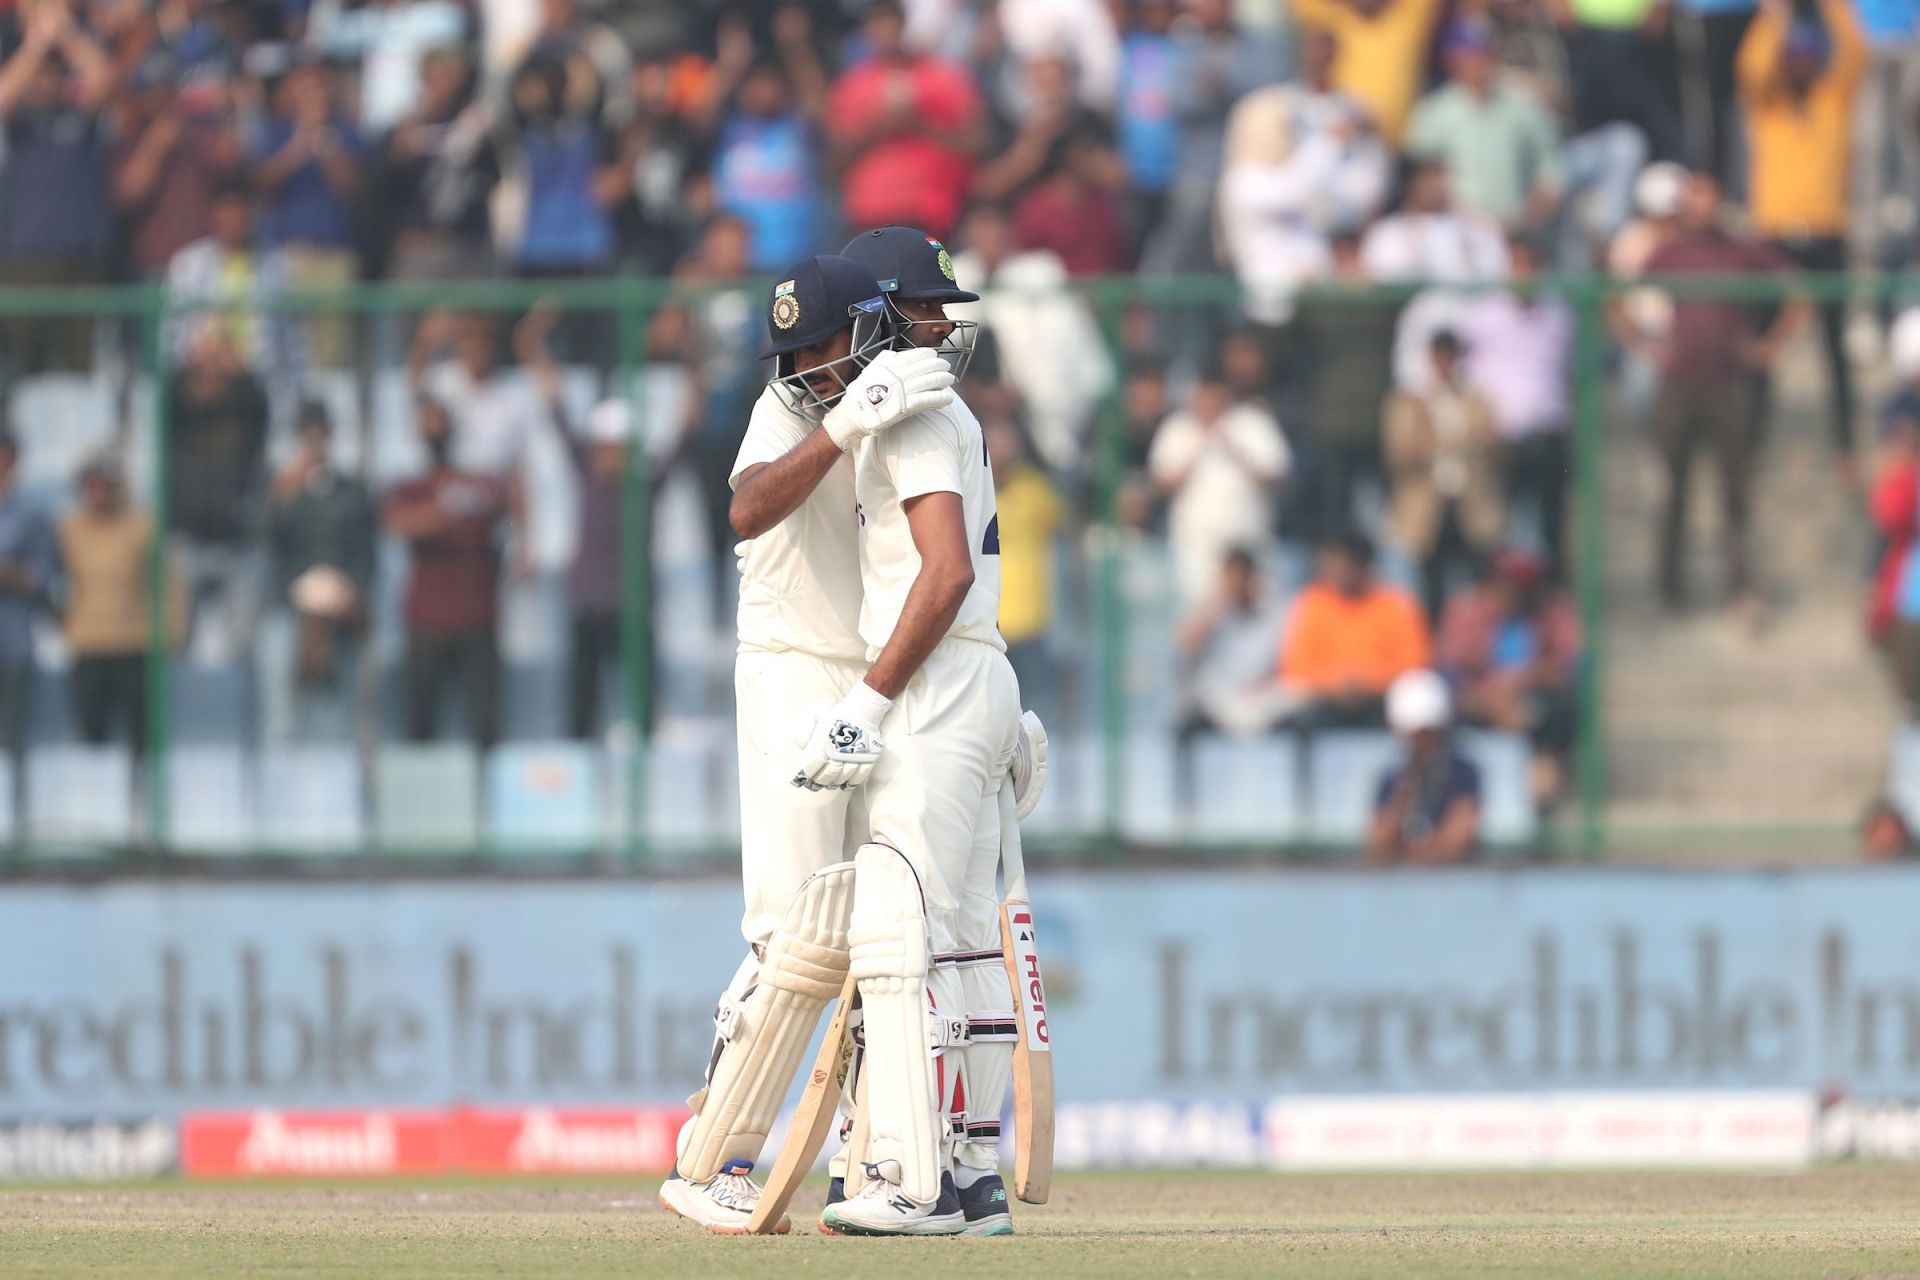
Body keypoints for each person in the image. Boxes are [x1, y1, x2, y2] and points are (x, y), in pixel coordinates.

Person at [1620, 172, 1806, 614]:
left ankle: (1740, 587)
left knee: (1735, 491)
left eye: (1710, 197)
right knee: (1673, 489)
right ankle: (1669, 589)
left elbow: (1797, 290)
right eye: (1695, 198)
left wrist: (1769, 346)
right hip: (1680, 384)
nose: (1702, 207)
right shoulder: (1669, 253)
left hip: (1731, 385)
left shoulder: (1742, 250)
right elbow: (1616, 298)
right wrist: (1644, 346)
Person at [1736, 0, 1867, 466]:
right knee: (1759, 344)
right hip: (1773, 238)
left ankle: (1846, 447)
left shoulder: (1833, 101)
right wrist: (1777, 15)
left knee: (1836, 345)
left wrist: (1832, 5)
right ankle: (1750, 446)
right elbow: (1750, 65)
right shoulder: (1768, 107)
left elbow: (1854, 51)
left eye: (1809, 54)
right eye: (1794, 54)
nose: (1802, 61)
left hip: (1827, 234)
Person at [383, 399, 512, 751]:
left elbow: (505, 502)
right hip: (427, 621)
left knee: (485, 725)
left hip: (476, 617)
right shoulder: (410, 487)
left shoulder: (478, 481)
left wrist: (477, 501)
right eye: (427, 426)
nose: (434, 433)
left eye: (439, 424)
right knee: (421, 724)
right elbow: (399, 524)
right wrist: (446, 508)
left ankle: (487, 800)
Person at [0, 0, 115, 372]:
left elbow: (106, 80)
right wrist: (35, 45)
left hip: (82, 256)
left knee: (78, 369)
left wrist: (65, 34)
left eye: (53, 76)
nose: (45, 83)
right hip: (24, 260)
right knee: (21, 368)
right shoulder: (20, 127)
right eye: (39, 76)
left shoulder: (81, 121)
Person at [258, 402, 375, 744]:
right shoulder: (283, 488)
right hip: (287, 607)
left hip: (337, 612)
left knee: (335, 718)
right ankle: (280, 790)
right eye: (306, 434)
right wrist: (280, 497)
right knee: (280, 718)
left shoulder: (351, 490)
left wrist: (352, 594)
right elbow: (265, 541)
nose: (313, 442)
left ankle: (332, 793)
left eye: (319, 433)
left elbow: (365, 553)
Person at [1461, 236, 1575, 578]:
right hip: (1500, 438)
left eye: (1532, 265)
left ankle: (1551, 614)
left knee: (1551, 531)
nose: (1524, 273)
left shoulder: (1560, 313)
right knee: (1497, 532)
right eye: (1518, 264)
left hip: (1549, 433)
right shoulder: (1480, 316)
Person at [824, 0, 984, 241]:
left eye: (892, 24)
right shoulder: (852, 85)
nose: (886, 33)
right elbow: (834, 162)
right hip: (869, 217)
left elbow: (974, 144)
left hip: (932, 214)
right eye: (878, 25)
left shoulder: (943, 77)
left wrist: (919, 122)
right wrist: (877, 126)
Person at [1438, 552, 1583, 807]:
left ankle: (1542, 790)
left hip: (1529, 703)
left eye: (1522, 586)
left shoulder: (1550, 611)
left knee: (1558, 709)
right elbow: (1451, 671)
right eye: (1506, 584)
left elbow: (1567, 664)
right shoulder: (1466, 610)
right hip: (1476, 703)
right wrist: (1490, 704)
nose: (1513, 593)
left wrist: (1518, 684)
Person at [249, 58, 364, 369]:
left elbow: (350, 186)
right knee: (279, 344)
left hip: (331, 253)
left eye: (319, 88)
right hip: (284, 253)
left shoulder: (344, 131)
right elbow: (262, 180)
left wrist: (324, 142)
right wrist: (300, 144)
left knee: (330, 353)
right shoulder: (275, 130)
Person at [1384, 331, 1506, 621]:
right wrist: (1430, 432)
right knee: (1431, 586)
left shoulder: (1476, 400)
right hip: (1431, 507)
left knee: (1478, 582)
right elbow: (1399, 454)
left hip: (1469, 505)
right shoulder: (1411, 402)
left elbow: (1495, 451)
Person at [1147, 359, 1292, 605]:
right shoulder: (1178, 427)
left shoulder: (1253, 422)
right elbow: (1159, 484)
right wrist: (1195, 452)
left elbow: (1280, 477)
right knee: (1199, 609)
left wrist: (1238, 452)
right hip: (1196, 547)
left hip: (1248, 542)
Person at [167, 329, 270, 665]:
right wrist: (193, 360)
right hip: (185, 537)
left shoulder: (242, 412)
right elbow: (167, 397)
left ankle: (244, 717)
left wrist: (239, 367)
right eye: (204, 367)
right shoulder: (180, 415)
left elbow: (259, 405)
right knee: (173, 642)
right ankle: (172, 716)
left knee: (246, 646)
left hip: (236, 541)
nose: (211, 375)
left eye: (218, 367)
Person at [1406, 18, 1564, 233]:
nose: (1479, 64)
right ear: (1453, 61)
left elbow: (1551, 157)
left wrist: (1546, 192)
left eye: (1485, 54)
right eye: (1471, 55)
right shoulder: (1434, 111)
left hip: (1514, 229)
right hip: (1454, 230)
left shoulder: (1521, 104)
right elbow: (1417, 174)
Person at [59, 461, 163, 753]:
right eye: (94, 486)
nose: (100, 494)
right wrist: (61, 620)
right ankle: (97, 795)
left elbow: (165, 583)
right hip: (89, 642)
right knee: (92, 732)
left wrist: (170, 633)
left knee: (141, 733)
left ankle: (140, 795)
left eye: (106, 486)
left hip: (133, 640)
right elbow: (51, 577)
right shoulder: (69, 529)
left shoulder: (141, 526)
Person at [1277, 532, 1431, 730]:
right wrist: (1337, 684)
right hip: (1325, 702)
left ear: (1361, 564)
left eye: (1340, 563)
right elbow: (1296, 668)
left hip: (1382, 700)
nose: (1332, 571)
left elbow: (1415, 665)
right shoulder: (1312, 603)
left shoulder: (1396, 604)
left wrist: (1368, 683)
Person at [1176, 545, 1291, 742]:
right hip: (1216, 704)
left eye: (1243, 576)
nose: (1238, 583)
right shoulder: (1210, 613)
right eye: (1232, 576)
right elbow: (1186, 649)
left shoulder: (1273, 614)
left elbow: (1284, 662)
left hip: (1260, 702)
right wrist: (1214, 609)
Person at [1367, 668, 1482, 864]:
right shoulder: (1394, 776)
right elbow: (1378, 845)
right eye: (1413, 735)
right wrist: (1404, 793)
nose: (1420, 742)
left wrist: (1406, 858)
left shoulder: (1462, 772)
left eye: (1427, 733)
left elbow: (1457, 843)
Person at [0, 432, 56, 770]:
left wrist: (7, 572)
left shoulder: (32, 513)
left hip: (13, 639)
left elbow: (41, 575)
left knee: (10, 736)